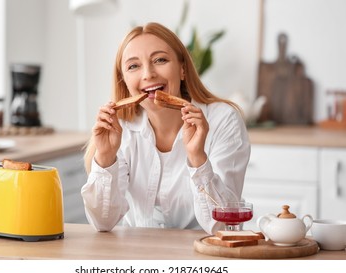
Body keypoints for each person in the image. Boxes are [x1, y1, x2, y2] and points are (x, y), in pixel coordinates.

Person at [81, 22, 250, 235]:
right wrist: (105, 157)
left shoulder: (223, 120)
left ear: (182, 69)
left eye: (160, 60)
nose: (148, 74)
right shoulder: (119, 127)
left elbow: (222, 226)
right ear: (124, 81)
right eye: (134, 66)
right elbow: (103, 223)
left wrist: (198, 158)